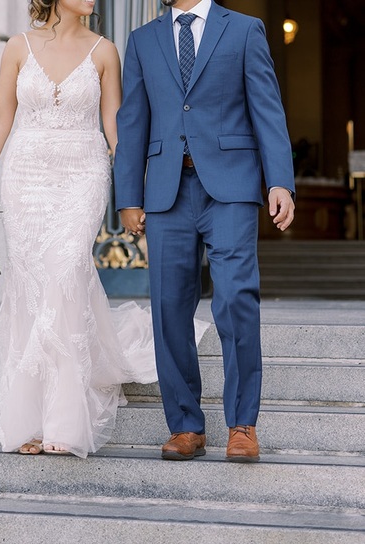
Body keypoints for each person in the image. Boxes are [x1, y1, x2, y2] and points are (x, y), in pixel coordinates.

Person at [0, 0, 181, 458]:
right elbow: (0, 117)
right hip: (26, 176)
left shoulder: (105, 51)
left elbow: (116, 126)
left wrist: (134, 189)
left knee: (65, 271)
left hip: (84, 173)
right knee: (31, 284)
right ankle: (28, 419)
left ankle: (63, 419)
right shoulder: (17, 47)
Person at [114, 0, 295, 463]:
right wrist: (128, 196)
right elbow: (132, 120)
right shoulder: (142, 40)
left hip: (231, 187)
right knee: (169, 306)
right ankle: (185, 425)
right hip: (166, 192)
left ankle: (242, 425)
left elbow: (267, 109)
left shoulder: (245, 30)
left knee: (236, 298)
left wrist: (279, 181)